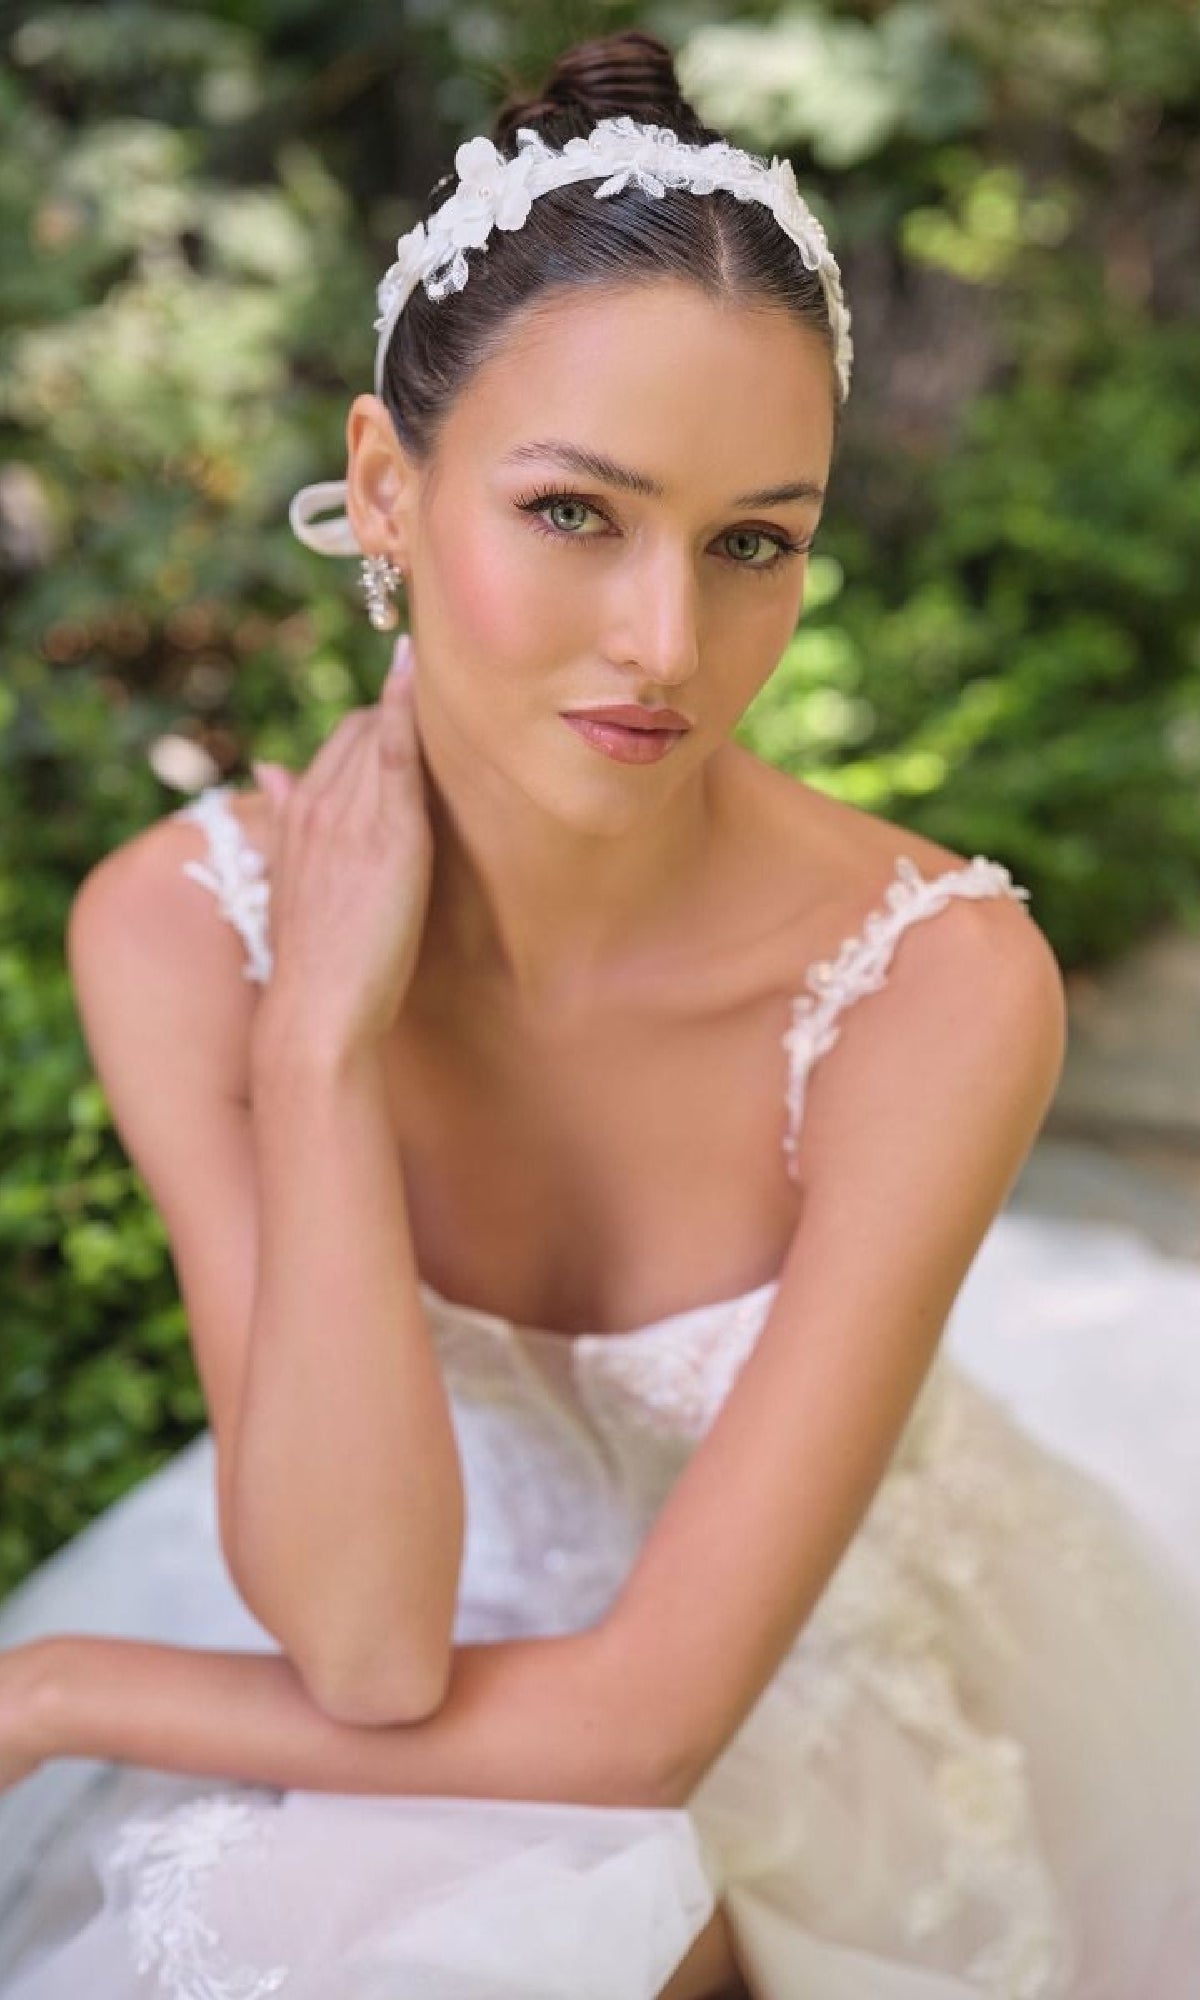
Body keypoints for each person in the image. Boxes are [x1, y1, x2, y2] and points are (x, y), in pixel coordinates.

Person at [1, 26, 1199, 2000]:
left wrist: (51, 1685)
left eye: (753, 543)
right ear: (386, 487)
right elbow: (370, 1648)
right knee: (365, 1914)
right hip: (385, 1681)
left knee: (502, 1907)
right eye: (577, 512)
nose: (667, 641)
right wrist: (318, 1047)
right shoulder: (175, 936)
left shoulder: (934, 986)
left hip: (805, 1720)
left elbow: (648, 1728)